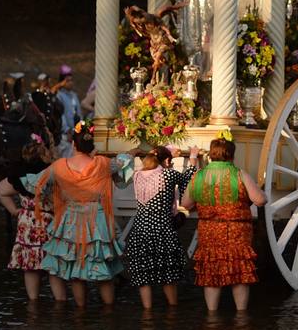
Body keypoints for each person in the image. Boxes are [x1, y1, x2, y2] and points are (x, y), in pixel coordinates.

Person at [21, 122, 126, 307]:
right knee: (104, 271)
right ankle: (109, 313)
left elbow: (37, 184)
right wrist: (132, 153)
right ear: (92, 146)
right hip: (98, 219)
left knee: (76, 272)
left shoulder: (59, 166)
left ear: (73, 144)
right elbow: (123, 165)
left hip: (70, 221)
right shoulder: (102, 164)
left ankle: (80, 313)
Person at [182, 133, 266, 312]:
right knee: (239, 273)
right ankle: (241, 316)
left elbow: (185, 204)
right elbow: (259, 200)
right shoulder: (239, 174)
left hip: (209, 231)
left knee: (211, 273)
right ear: (231, 155)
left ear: (211, 155)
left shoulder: (199, 176)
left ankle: (212, 316)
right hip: (236, 232)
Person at [122, 144, 199, 309]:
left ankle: (147, 312)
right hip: (162, 230)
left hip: (140, 231)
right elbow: (189, 181)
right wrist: (192, 159)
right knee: (168, 275)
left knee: (143, 276)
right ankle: (173, 310)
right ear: (167, 161)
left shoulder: (137, 175)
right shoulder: (168, 174)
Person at [0, 137, 55, 301]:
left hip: (28, 221)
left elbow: (0, 190)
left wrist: (14, 210)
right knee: (54, 266)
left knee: (30, 267)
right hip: (51, 220)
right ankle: (60, 304)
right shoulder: (53, 172)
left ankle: (33, 306)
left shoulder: (19, 173)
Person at [54, 65, 82, 149]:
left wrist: (81, 127)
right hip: (65, 134)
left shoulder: (74, 95)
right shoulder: (59, 95)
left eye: (71, 80)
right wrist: (67, 130)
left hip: (76, 131)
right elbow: (61, 114)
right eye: (67, 81)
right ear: (62, 82)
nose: (70, 82)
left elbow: (79, 112)